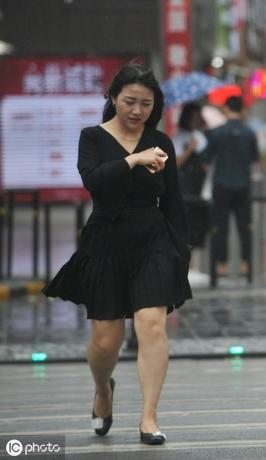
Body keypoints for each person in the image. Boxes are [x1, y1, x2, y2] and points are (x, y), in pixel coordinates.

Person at [43, 63, 192, 445]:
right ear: (112, 98)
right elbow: (93, 181)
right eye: (130, 101)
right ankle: (103, 389)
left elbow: (173, 201)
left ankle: (149, 418)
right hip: (106, 240)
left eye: (146, 103)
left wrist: (180, 251)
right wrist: (133, 160)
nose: (138, 110)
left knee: (151, 325)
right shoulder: (92, 137)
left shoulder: (162, 140)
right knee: (106, 343)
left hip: (152, 240)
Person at [203, 95, 259, 280]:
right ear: (242, 110)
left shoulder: (216, 133)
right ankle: (245, 265)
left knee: (221, 227)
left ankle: (222, 266)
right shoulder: (249, 133)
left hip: (221, 185)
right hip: (243, 185)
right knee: (245, 228)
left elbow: (206, 160)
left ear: (226, 109)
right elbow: (254, 160)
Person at [172, 102, 209, 283]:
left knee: (197, 224)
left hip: (199, 187)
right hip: (183, 187)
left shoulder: (202, 137)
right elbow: (176, 162)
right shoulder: (180, 137)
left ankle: (193, 264)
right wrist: (190, 149)